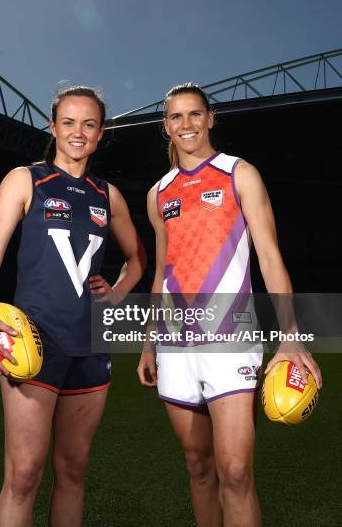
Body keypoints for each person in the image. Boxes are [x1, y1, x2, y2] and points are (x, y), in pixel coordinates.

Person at [137, 83, 322, 527]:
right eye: (176, 117)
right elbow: (162, 271)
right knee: (198, 466)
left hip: (231, 337)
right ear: (165, 127)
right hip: (175, 343)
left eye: (195, 115)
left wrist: (291, 336)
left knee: (236, 473)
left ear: (210, 118)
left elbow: (270, 255)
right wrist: (148, 342)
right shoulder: (158, 193)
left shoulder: (240, 173)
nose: (187, 125)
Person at [0, 86, 146, 527]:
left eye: (89, 124)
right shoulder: (26, 179)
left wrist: (120, 291)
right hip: (34, 341)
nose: (78, 132)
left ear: (100, 133)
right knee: (24, 475)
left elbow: (139, 258)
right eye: (69, 122)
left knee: (73, 471)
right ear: (53, 127)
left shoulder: (109, 194)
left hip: (91, 345)